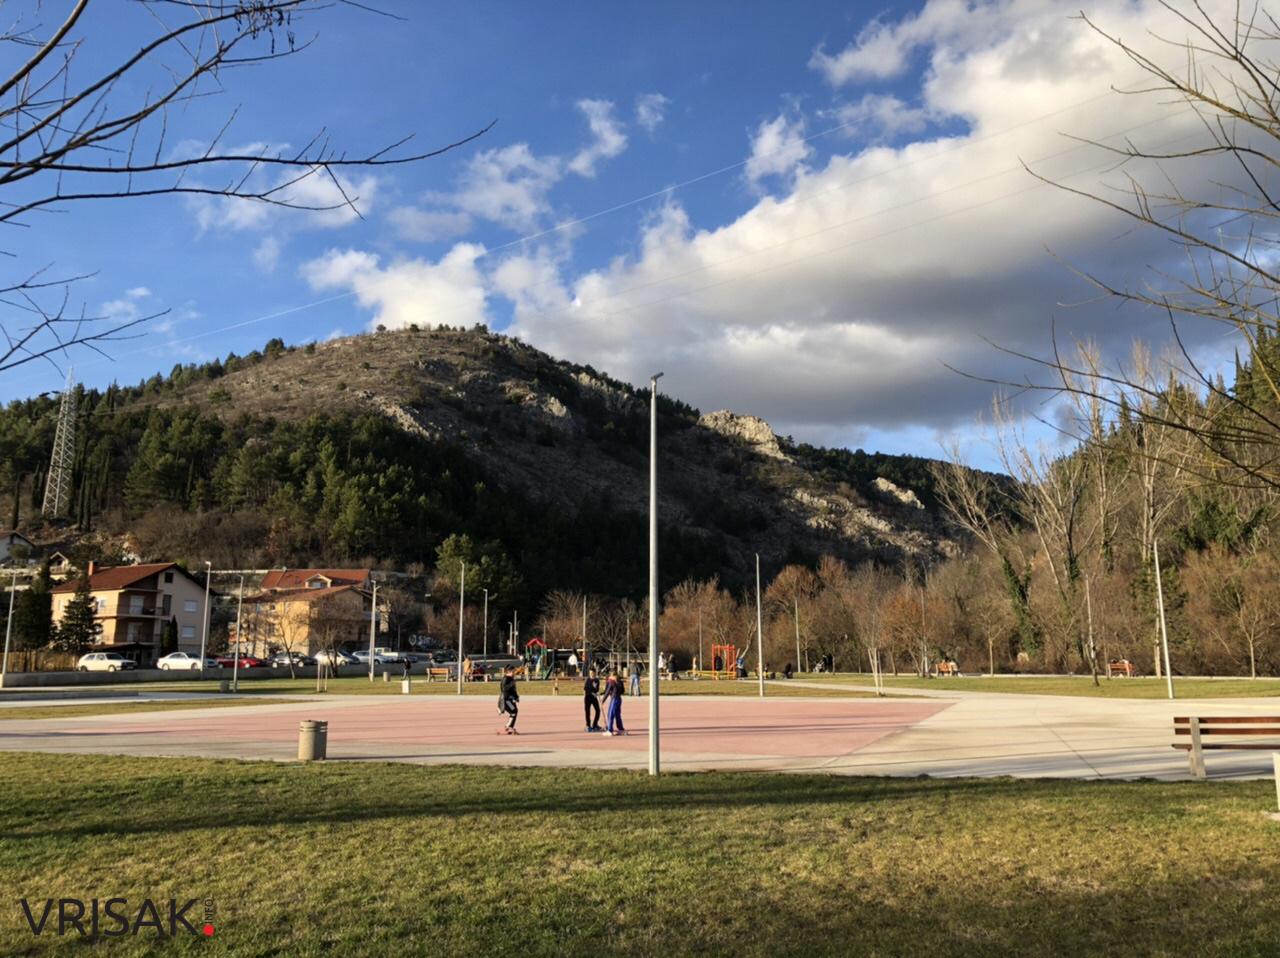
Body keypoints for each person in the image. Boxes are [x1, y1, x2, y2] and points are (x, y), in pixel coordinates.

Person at [602, 669, 626, 736]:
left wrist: (602, 701)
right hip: (619, 699)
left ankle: (610, 730)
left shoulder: (611, 681)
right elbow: (623, 691)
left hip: (614, 699)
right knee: (617, 714)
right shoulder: (620, 681)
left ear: (612, 675)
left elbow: (607, 691)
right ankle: (621, 729)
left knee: (610, 714)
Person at [498, 666, 520, 734]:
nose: (514, 673)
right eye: (513, 671)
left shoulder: (510, 679)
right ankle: (509, 727)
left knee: (514, 711)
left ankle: (508, 726)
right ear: (509, 672)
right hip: (506, 700)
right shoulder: (506, 679)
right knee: (514, 711)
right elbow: (505, 690)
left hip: (509, 700)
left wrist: (516, 697)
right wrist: (511, 684)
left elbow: (513, 690)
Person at [583, 668, 602, 732]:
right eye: (590, 673)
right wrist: (592, 693)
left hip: (594, 698)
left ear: (595, 673)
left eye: (592, 673)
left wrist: (597, 693)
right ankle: (588, 725)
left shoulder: (597, 680)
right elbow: (585, 689)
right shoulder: (588, 680)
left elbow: (597, 689)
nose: (591, 674)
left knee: (598, 710)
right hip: (588, 697)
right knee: (587, 712)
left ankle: (595, 724)